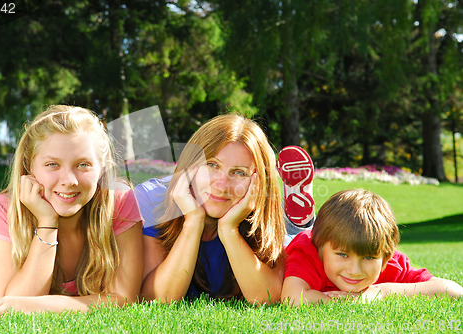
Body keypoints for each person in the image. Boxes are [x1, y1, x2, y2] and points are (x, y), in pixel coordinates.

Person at [0, 105, 143, 314]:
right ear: (28, 166)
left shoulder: (119, 203)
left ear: (102, 168)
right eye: (52, 164)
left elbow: (124, 297)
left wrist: (44, 306)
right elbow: (9, 306)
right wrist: (47, 222)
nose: (69, 181)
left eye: (83, 165)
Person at [135, 114, 288, 304]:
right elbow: (156, 299)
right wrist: (193, 221)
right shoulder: (152, 198)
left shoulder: (260, 207)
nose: (222, 185)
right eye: (212, 165)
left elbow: (267, 299)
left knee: (298, 243)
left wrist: (229, 230)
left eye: (239, 172)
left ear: (259, 183)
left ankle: (302, 224)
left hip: (277, 223)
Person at [281, 189, 463, 305]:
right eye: (343, 254)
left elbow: (453, 291)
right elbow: (292, 298)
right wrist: (343, 302)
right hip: (289, 243)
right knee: (282, 242)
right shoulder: (307, 252)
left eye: (368, 258)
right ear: (320, 248)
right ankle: (293, 220)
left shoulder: (392, 263)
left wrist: (380, 292)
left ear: (386, 256)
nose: (354, 270)